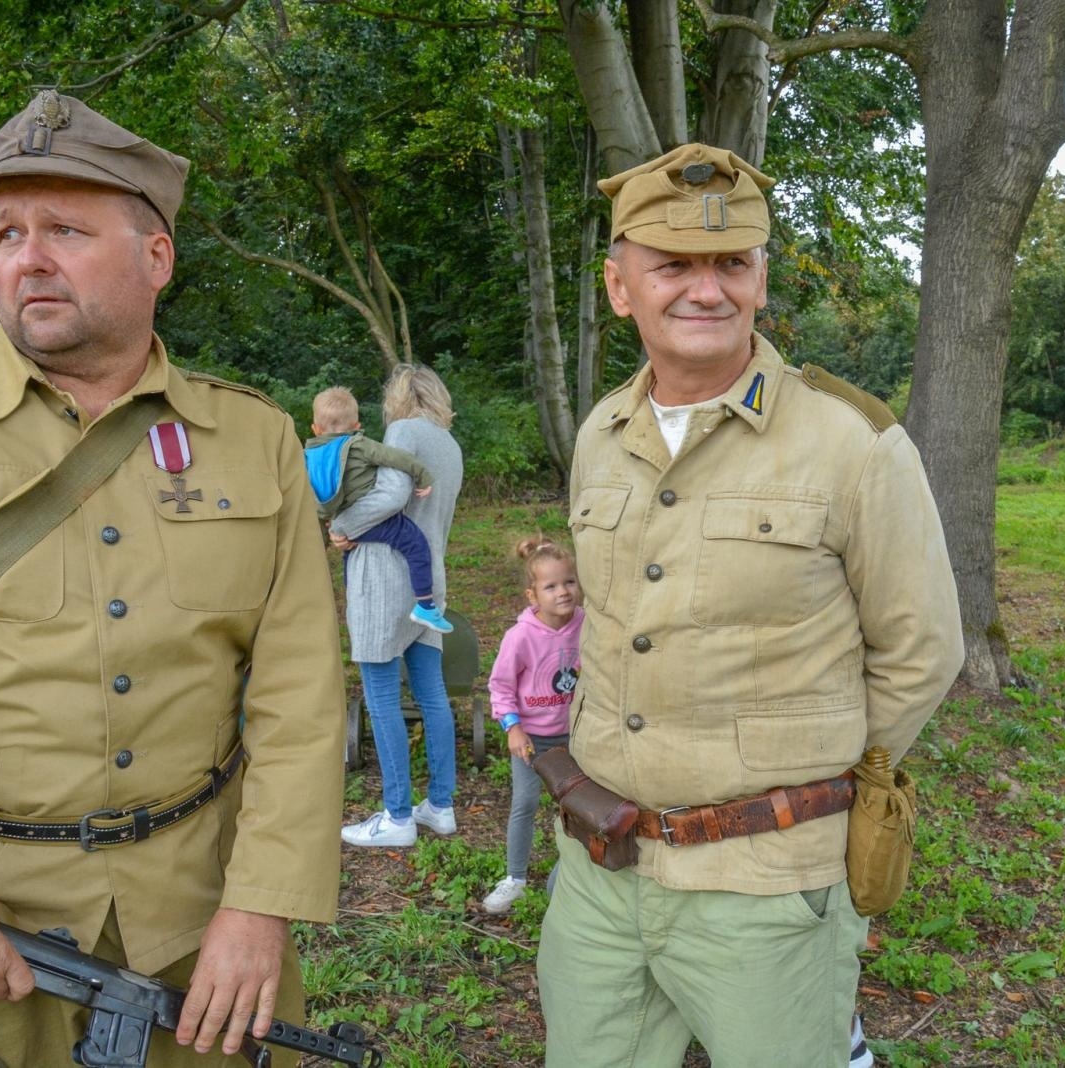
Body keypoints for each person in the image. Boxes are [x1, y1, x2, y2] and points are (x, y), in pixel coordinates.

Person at [0, 90, 345, 1067]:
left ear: (157, 257)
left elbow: (299, 695)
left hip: (199, 930)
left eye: (65, 229)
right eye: (7, 231)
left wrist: (261, 906)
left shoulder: (250, 437)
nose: (26, 257)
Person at [536, 143, 965, 1068]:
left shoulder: (853, 444)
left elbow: (922, 652)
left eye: (731, 264)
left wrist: (800, 775)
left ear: (762, 279)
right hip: (602, 869)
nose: (706, 290)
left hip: (767, 887)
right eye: (674, 266)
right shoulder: (601, 436)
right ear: (621, 288)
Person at [333, 364, 464, 849]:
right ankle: (442, 806)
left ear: (399, 396)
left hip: (385, 578)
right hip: (429, 578)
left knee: (382, 695)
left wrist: (344, 524)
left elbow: (391, 494)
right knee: (431, 694)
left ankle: (397, 816)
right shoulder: (450, 444)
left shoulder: (404, 430)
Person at [481, 537, 583, 915]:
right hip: (533, 739)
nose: (563, 592)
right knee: (525, 803)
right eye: (551, 586)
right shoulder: (520, 636)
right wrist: (513, 728)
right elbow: (500, 686)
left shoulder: (586, 625)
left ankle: (574, 873)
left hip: (575, 735)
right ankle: (515, 878)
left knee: (575, 806)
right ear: (532, 595)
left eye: (569, 581)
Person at [305, 385, 453, 634]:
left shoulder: (308, 456)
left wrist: (334, 527)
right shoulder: (358, 445)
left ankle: (351, 602)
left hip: (342, 521)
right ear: (356, 426)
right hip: (375, 521)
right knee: (416, 543)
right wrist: (423, 475)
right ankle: (426, 604)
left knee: (348, 557)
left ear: (315, 429)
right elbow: (396, 458)